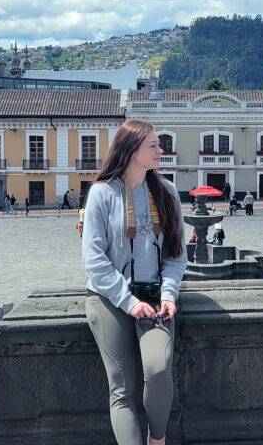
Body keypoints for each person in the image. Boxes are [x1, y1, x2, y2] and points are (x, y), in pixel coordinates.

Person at [81, 119, 187, 445]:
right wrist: (129, 302)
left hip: (154, 297)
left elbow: (176, 254)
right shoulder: (101, 193)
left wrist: (168, 294)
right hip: (109, 298)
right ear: (131, 150)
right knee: (121, 389)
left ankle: (158, 439)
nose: (161, 150)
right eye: (153, 145)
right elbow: (94, 261)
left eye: (159, 144)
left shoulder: (167, 192)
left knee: (157, 369)